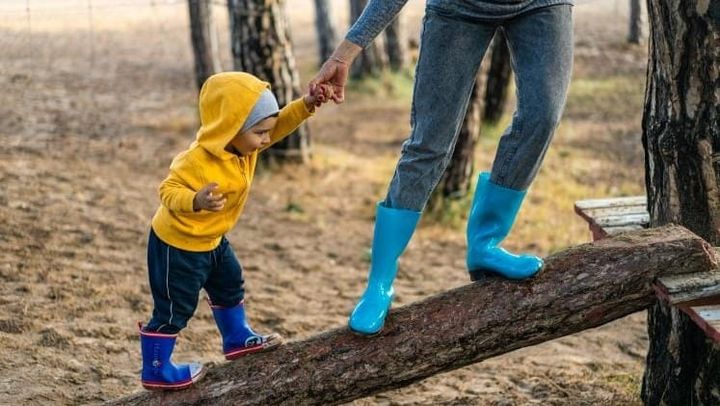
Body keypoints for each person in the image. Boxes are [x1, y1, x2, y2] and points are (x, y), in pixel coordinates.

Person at [309, 0, 574, 336]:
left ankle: (485, 244)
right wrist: (344, 53)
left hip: (540, 6)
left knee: (542, 118)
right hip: (457, 8)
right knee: (429, 144)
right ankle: (379, 284)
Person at [139, 71, 330, 390]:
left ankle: (236, 338)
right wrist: (194, 200)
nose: (266, 139)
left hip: (213, 240)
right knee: (176, 307)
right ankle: (156, 369)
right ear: (231, 128)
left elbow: (278, 124)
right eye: (260, 133)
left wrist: (307, 104)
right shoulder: (196, 160)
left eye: (266, 132)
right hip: (178, 245)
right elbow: (167, 189)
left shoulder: (246, 146)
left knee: (229, 283)